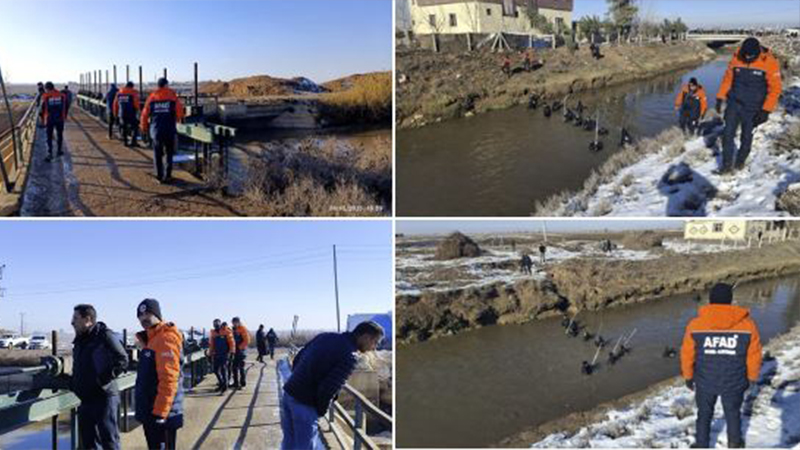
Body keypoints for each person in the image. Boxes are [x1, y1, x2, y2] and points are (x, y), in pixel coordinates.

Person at [681, 283, 763, 448]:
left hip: (705, 380)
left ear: (711, 300)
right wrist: (752, 377)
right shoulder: (748, 325)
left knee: (704, 414)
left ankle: (702, 444)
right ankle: (734, 443)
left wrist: (688, 376)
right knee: (733, 413)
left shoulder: (695, 324)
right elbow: (754, 355)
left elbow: (687, 354)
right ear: (730, 300)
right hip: (735, 380)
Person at [281, 321, 384, 450]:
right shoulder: (350, 356)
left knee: (289, 443)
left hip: (289, 393)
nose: (374, 347)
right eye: (375, 342)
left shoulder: (325, 336)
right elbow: (329, 388)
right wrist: (320, 411)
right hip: (305, 404)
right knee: (304, 447)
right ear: (366, 337)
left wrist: (299, 381)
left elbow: (298, 359)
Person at [715, 37, 782, 174]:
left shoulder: (769, 62)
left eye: (751, 56)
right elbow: (727, 80)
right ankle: (726, 166)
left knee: (746, 137)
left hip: (753, 108)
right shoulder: (736, 58)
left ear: (757, 52)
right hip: (734, 104)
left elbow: (775, 89)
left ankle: (740, 162)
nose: (747, 58)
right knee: (727, 135)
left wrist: (766, 110)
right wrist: (720, 97)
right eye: (745, 55)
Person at [69, 304, 128, 450]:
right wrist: (74, 383)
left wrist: (102, 380)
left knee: (109, 441)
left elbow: (122, 360)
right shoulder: (80, 340)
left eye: (76, 318)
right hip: (86, 399)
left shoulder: (104, 336)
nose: (72, 322)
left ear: (88, 320)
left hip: (104, 397)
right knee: (89, 443)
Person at [134, 299, 184, 450]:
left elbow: (169, 379)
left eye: (147, 313)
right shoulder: (151, 340)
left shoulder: (165, 338)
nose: (143, 318)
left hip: (162, 414)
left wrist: (160, 413)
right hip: (151, 411)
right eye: (140, 315)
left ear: (157, 315)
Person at [140, 78, 185, 184]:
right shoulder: (172, 96)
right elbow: (179, 112)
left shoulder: (151, 97)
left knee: (157, 154)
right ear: (165, 85)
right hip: (169, 130)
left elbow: (144, 115)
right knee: (169, 154)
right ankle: (168, 175)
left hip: (156, 131)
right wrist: (178, 119)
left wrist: (144, 128)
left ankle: (159, 176)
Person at [39, 82, 67, 162]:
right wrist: (64, 117)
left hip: (50, 119)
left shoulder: (45, 96)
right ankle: (59, 151)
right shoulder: (62, 95)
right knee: (60, 135)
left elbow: (42, 110)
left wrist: (43, 121)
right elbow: (66, 106)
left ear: (47, 88)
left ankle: (50, 154)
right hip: (60, 119)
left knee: (49, 136)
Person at [209, 318, 234, 393]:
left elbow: (232, 343)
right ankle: (221, 383)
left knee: (223, 370)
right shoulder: (213, 333)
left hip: (225, 354)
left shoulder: (226, 331)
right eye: (214, 323)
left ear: (220, 324)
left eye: (217, 323)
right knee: (215, 370)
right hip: (216, 354)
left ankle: (225, 386)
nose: (216, 324)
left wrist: (231, 353)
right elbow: (211, 344)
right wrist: (210, 353)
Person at [113, 82, 141, 147]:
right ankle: (133, 141)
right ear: (131, 86)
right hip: (131, 113)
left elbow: (115, 104)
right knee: (135, 127)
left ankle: (125, 142)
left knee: (124, 127)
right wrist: (138, 110)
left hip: (122, 113)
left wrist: (115, 114)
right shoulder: (133, 92)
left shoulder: (119, 93)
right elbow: (136, 103)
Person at [231, 317, 250, 389]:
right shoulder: (233, 329)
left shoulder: (243, 329)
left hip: (241, 351)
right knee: (234, 367)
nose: (234, 323)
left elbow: (247, 341)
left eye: (236, 322)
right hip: (234, 351)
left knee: (241, 367)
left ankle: (242, 383)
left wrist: (239, 347)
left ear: (239, 322)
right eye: (233, 322)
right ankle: (235, 382)